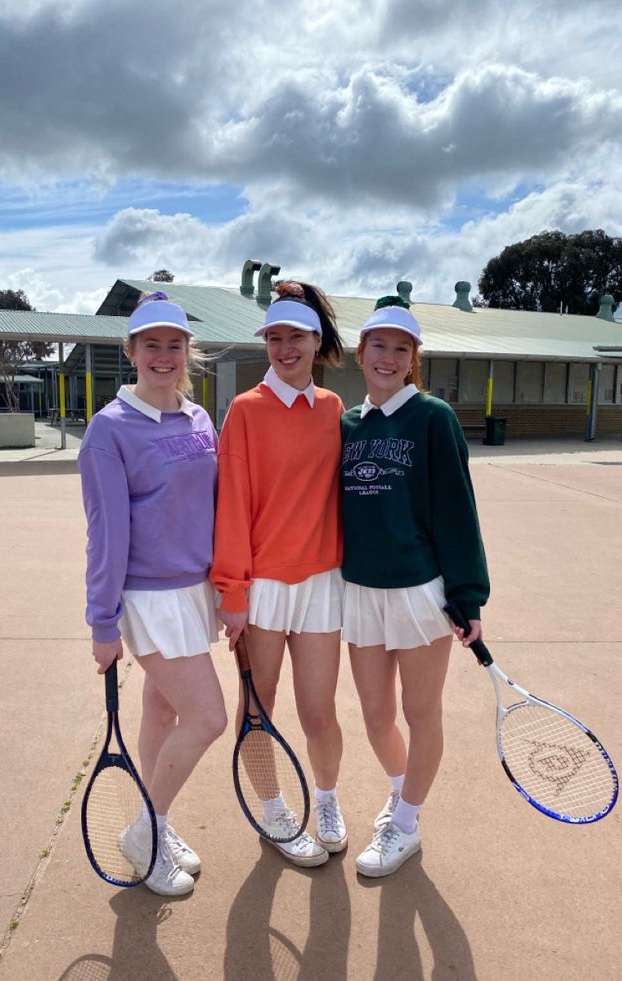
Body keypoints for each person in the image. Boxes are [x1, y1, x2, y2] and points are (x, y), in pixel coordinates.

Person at [78, 292, 227, 897]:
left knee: (162, 712)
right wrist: (102, 623)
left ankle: (154, 826)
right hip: (149, 598)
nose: (164, 355)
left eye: (174, 344)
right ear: (131, 351)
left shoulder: (199, 419)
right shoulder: (108, 430)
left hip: (196, 591)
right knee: (208, 717)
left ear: (187, 351)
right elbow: (106, 533)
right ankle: (147, 830)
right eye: (151, 345)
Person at [340, 298, 489, 877]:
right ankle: (402, 800)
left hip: (419, 594)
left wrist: (468, 596)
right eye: (379, 345)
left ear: (412, 360)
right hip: (360, 593)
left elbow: (458, 510)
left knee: (420, 711)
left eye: (401, 349)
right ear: (362, 352)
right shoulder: (348, 424)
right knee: (377, 716)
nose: (388, 357)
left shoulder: (432, 417)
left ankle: (405, 825)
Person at [211, 281, 347, 867]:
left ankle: (328, 799)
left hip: (322, 584)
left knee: (320, 712)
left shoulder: (334, 409)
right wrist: (232, 592)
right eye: (274, 337)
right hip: (262, 587)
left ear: (317, 341)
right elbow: (232, 505)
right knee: (258, 707)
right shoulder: (245, 411)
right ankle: (273, 812)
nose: (284, 347)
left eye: (295, 336)